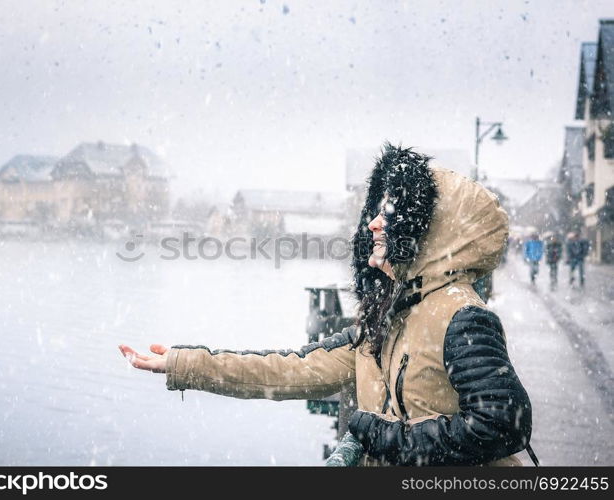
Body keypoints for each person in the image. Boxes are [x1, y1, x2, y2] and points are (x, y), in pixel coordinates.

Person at [119, 144, 536, 466]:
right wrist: (182, 364)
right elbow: (289, 370)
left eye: (389, 212)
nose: (373, 223)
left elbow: (503, 425)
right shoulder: (389, 316)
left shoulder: (461, 316)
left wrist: (387, 437)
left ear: (428, 229)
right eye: (375, 211)